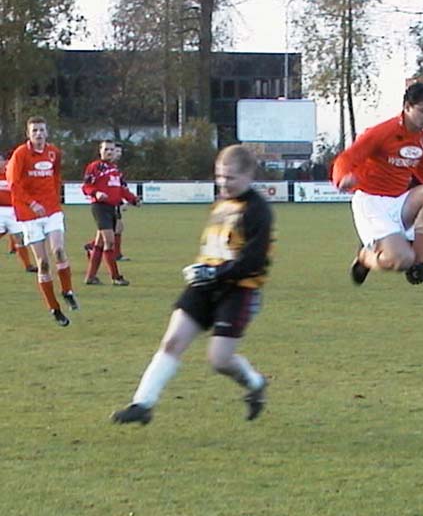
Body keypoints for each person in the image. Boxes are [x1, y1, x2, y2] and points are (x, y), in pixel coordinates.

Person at [111, 145, 272, 425]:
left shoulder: (259, 210)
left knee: (220, 360)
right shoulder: (222, 203)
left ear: (248, 175)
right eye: (219, 176)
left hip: (238, 290)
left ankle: (255, 383)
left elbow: (254, 262)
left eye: (230, 177)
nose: (223, 182)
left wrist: (216, 273)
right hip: (204, 284)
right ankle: (142, 404)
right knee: (172, 341)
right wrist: (203, 269)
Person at [331, 82, 423, 286]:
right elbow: (347, 157)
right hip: (372, 202)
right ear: (407, 107)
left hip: (399, 201)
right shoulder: (382, 132)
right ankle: (365, 257)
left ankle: (418, 267)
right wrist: (341, 177)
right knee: (401, 260)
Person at [7, 116, 78, 327]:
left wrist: (53, 200)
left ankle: (67, 291)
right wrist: (32, 203)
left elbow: (55, 176)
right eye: (34, 130)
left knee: (58, 251)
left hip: (52, 210)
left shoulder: (54, 152)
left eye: (41, 130)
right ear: (28, 134)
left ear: (47, 133)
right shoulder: (20, 154)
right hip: (29, 215)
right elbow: (13, 184)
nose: (38, 133)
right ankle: (54, 308)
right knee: (44, 263)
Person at [82, 140, 139, 285]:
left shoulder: (115, 170)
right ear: (100, 151)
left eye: (112, 150)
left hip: (112, 208)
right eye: (106, 149)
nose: (109, 152)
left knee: (100, 244)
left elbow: (121, 190)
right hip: (100, 207)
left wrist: (133, 199)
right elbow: (86, 186)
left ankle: (90, 277)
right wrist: (96, 193)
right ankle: (116, 277)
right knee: (109, 242)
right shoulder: (95, 167)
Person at [0, 151, 37, 273]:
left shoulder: (12, 175)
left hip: (12, 210)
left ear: (6, 162)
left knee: (19, 238)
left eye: (1, 160)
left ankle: (28, 265)